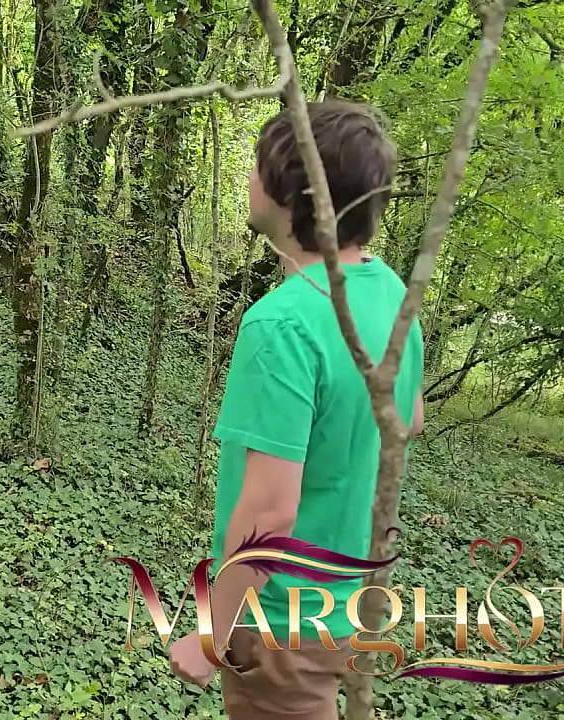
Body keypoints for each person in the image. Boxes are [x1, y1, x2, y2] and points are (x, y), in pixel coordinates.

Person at [168, 100, 425, 719]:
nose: (249, 178)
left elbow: (269, 510)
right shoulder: (389, 290)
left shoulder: (280, 326)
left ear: (290, 190)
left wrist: (211, 635)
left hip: (280, 620)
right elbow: (408, 417)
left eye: (257, 165)